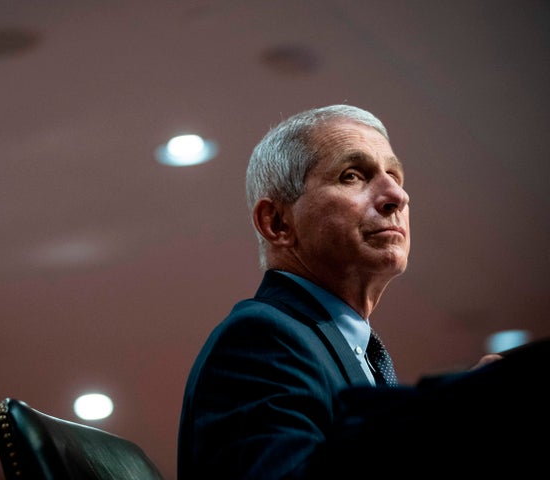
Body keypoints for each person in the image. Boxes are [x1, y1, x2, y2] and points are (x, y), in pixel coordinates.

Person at [176, 104, 519, 479]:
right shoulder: (261, 337)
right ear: (277, 222)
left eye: (394, 175)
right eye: (353, 175)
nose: (397, 196)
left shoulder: (347, 350)